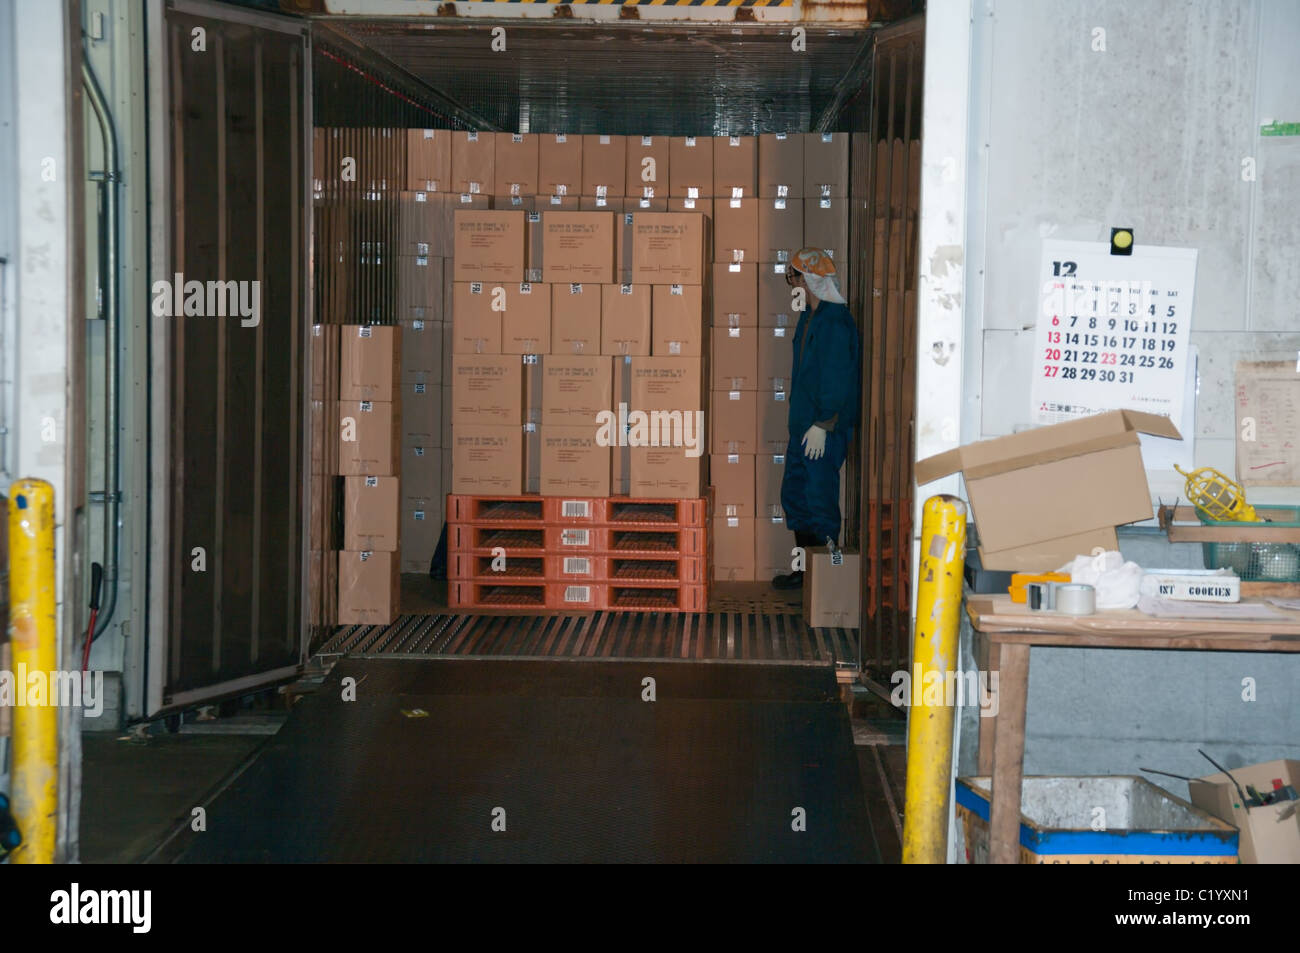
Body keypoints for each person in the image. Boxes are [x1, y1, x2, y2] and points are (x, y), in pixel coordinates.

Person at [772, 248, 861, 590]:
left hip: (822, 429)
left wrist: (824, 424)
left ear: (808, 280)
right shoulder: (809, 317)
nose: (790, 284)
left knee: (821, 501)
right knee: (796, 496)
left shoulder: (835, 322)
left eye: (792, 278)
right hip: (802, 429)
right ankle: (807, 573)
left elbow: (838, 378)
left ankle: (831, 577)